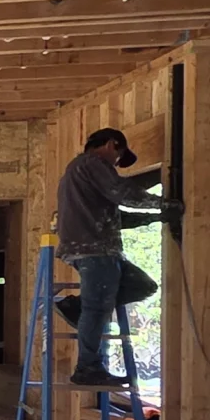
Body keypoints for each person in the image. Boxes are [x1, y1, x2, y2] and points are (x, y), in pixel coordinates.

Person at [56, 127, 172, 389]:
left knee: (143, 286)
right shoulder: (93, 163)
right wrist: (164, 204)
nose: (117, 164)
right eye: (118, 157)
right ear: (111, 144)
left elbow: (112, 217)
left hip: (88, 248)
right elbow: (123, 193)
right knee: (97, 310)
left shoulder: (76, 173)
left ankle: (75, 306)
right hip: (95, 250)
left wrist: (154, 217)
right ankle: (87, 368)